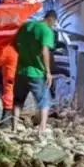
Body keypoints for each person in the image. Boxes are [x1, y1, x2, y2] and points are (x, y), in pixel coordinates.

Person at [12, 9, 58, 138]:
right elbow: (45, 51)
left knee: (18, 101)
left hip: (21, 70)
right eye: (53, 23)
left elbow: (15, 44)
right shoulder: (46, 31)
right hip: (36, 73)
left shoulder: (26, 25)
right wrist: (48, 72)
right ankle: (41, 131)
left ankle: (14, 129)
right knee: (44, 101)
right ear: (50, 19)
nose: (53, 26)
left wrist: (23, 56)